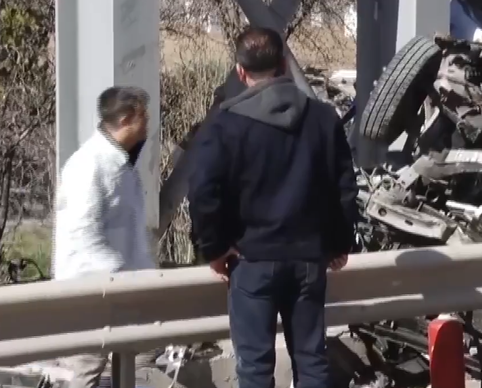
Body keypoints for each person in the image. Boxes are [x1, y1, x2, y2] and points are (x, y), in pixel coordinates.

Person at [187, 26, 359, 388]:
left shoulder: (224, 126)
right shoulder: (323, 119)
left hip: (251, 263)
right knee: (312, 363)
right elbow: (343, 186)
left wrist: (215, 249)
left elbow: (203, 192)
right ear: (283, 64)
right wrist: (339, 243)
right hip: (309, 261)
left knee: (254, 369)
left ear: (240, 71)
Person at [54, 86, 156, 388]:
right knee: (85, 372)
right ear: (126, 119)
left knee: (140, 357)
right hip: (90, 294)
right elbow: (82, 235)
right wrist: (123, 278)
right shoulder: (89, 165)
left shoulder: (121, 165)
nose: (148, 122)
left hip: (120, 293)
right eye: (143, 116)